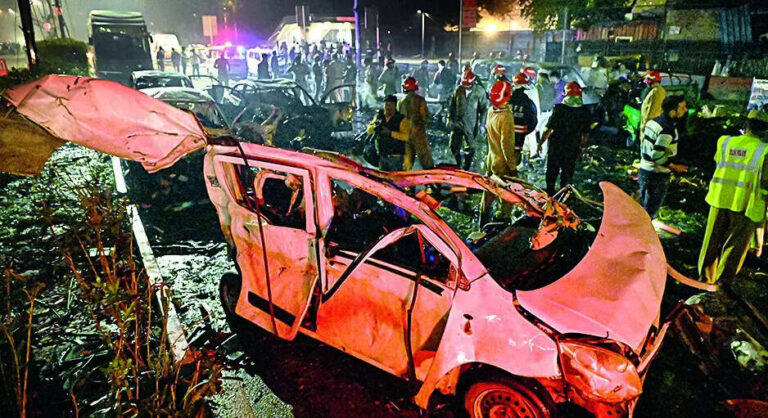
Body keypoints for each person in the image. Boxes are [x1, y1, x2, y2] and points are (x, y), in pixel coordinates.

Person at [698, 110, 768, 287]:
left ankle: (704, 281)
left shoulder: (724, 142)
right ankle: (722, 285)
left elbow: (718, 162)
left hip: (719, 198)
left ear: (746, 126)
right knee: (734, 247)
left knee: (711, 242)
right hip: (745, 204)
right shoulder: (764, 151)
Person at [636, 95, 689, 218]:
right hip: (657, 175)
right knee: (649, 213)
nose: (685, 110)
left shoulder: (653, 122)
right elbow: (657, 155)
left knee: (641, 210)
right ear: (672, 111)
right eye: (682, 108)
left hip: (644, 170)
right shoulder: (667, 130)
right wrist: (674, 166)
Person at [537, 82, 592, 195]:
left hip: (556, 146)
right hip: (572, 146)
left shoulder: (559, 109)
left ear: (566, 94)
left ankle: (550, 195)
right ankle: (564, 196)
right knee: (567, 173)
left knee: (552, 171)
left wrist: (540, 143)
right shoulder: (585, 111)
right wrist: (583, 146)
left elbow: (548, 129)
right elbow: (586, 133)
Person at [481, 80, 517, 222]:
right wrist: (512, 167)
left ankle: (483, 216)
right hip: (502, 162)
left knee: (488, 189)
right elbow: (506, 144)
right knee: (507, 193)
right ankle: (503, 220)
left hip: (491, 158)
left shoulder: (491, 111)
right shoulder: (506, 116)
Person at [448, 71, 485, 170]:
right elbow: (452, 106)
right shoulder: (458, 90)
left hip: (471, 124)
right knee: (454, 145)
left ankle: (467, 165)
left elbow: (484, 109)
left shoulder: (479, 91)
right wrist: (449, 118)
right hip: (457, 123)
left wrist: (482, 124)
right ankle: (458, 162)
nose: (465, 87)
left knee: (470, 147)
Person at [366, 95, 411, 171]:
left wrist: (390, 133)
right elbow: (369, 129)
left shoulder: (401, 119)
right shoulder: (379, 117)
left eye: (390, 105)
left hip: (396, 157)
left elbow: (406, 137)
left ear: (395, 106)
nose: (388, 107)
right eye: (386, 104)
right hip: (382, 156)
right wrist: (374, 128)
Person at [398, 77, 434, 170]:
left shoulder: (401, 102)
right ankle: (430, 177)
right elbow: (425, 117)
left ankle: (406, 178)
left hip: (405, 134)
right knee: (426, 161)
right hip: (418, 133)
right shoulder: (420, 100)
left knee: (407, 162)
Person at [510, 73, 538, 164]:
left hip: (505, 136)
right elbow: (533, 121)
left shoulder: (507, 101)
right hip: (519, 138)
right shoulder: (529, 103)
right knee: (515, 161)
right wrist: (525, 131)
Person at [640, 70, 666, 137]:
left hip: (650, 125)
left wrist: (645, 125)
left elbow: (651, 110)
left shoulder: (655, 92)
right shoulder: (659, 90)